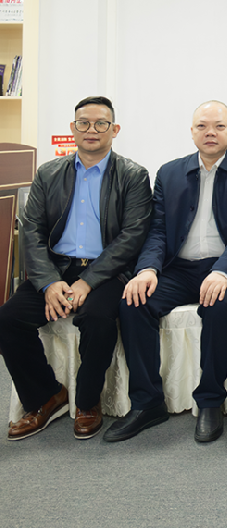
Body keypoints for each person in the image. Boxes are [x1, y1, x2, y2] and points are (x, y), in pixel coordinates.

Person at [103, 101, 227, 444]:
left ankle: (210, 401)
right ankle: (147, 403)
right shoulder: (170, 173)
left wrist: (223, 272)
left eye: (219, 126)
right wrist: (147, 269)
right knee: (133, 302)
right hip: (179, 268)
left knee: (219, 306)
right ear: (192, 132)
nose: (211, 133)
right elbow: (157, 230)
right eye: (202, 126)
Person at [0, 96, 151, 440]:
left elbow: (132, 237)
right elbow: (32, 232)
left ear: (115, 129)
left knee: (97, 320)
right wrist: (48, 283)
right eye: (83, 123)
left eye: (101, 123)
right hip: (57, 267)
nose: (91, 130)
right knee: (7, 319)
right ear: (73, 128)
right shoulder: (48, 173)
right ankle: (46, 396)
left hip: (107, 271)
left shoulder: (133, 175)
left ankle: (86, 402)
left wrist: (88, 281)